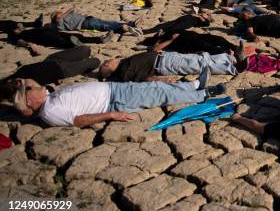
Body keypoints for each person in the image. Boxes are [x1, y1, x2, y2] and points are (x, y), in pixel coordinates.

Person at [12, 78, 227, 127]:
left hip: (115, 90)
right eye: (28, 90)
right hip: (114, 100)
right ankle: (202, 94)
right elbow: (77, 120)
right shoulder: (49, 112)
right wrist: (111, 115)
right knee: (160, 94)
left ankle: (194, 85)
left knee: (157, 88)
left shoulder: (47, 99)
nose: (32, 86)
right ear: (30, 101)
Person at [0, 46, 100, 100]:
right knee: (96, 61)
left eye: (12, 81)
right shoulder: (27, 90)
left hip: (52, 60)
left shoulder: (18, 74)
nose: (17, 81)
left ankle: (82, 62)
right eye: (15, 84)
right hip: (62, 70)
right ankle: (83, 65)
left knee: (86, 49)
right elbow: (49, 90)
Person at [98, 47, 244, 83]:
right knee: (198, 64)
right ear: (108, 71)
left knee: (201, 57)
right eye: (106, 64)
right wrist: (162, 79)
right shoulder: (124, 72)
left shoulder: (123, 62)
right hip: (163, 64)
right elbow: (143, 79)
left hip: (165, 56)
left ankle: (231, 58)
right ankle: (234, 68)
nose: (107, 61)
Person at [7, 26, 113, 56]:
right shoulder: (16, 36)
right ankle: (75, 46)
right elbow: (20, 42)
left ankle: (100, 39)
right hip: (44, 38)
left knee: (75, 35)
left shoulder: (25, 30)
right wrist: (30, 45)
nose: (19, 28)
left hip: (52, 32)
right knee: (60, 42)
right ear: (14, 31)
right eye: (17, 28)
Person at [51, 8, 143, 36]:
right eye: (58, 12)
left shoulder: (67, 15)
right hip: (85, 24)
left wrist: (68, 12)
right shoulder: (60, 23)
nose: (61, 12)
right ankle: (127, 27)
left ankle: (130, 25)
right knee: (104, 27)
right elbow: (59, 18)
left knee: (110, 23)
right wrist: (64, 13)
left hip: (89, 19)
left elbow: (73, 9)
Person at [142, 13, 211, 35]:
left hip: (187, 22)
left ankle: (147, 32)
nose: (205, 13)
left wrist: (202, 17)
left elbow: (207, 24)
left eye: (207, 14)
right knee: (163, 25)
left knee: (171, 28)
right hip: (183, 19)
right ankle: (144, 31)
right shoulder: (198, 16)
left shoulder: (206, 21)